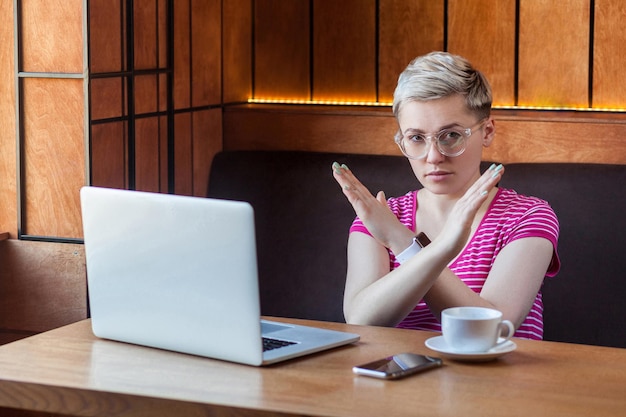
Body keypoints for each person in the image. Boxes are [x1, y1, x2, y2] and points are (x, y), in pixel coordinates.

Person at [331, 51, 560, 340]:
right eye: (416, 138)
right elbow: (361, 320)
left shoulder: (527, 216)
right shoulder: (380, 216)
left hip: (495, 384)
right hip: (399, 379)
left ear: (487, 131)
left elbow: (492, 330)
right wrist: (432, 246)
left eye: (451, 136)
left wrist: (402, 242)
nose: (434, 156)